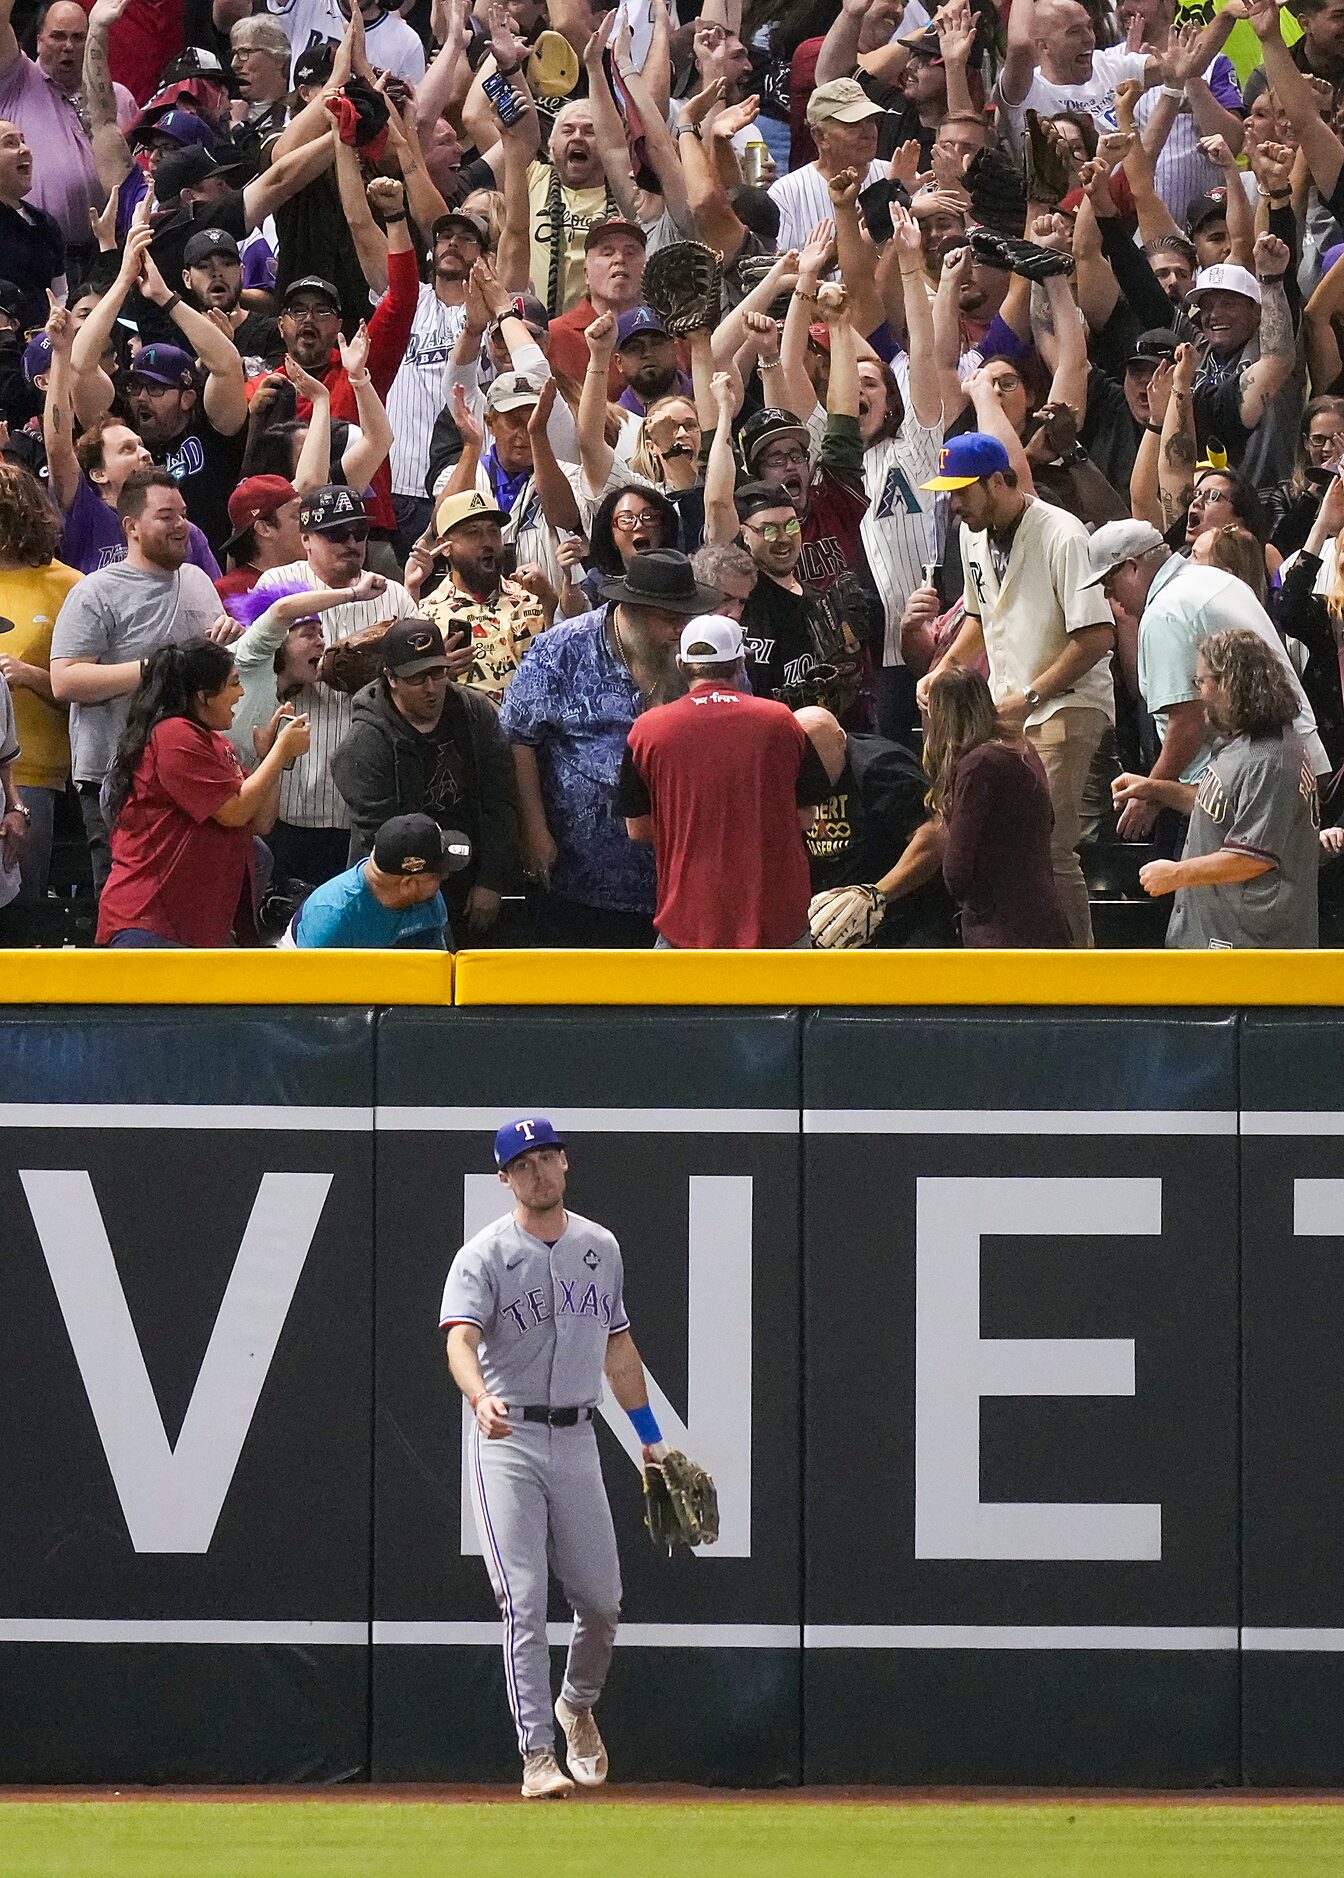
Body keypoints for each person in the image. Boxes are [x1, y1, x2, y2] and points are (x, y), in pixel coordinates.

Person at [439, 1114, 670, 1798]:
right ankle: (537, 1755)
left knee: (601, 1602)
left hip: (576, 1434)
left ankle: (576, 1705)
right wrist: (478, 1396)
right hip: (507, 1440)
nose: (539, 1170)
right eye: (524, 1162)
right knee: (525, 1600)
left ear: (566, 1164)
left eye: (548, 1156)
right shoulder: (483, 1254)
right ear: (504, 1178)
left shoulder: (600, 1246)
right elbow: (458, 1340)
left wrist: (649, 1436)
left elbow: (618, 1347)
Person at [918, 432, 1116, 947]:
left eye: (963, 491)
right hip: (1010, 710)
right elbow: (980, 617)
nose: (954, 504)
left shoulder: (1062, 534)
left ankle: (1080, 975)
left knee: (1051, 846)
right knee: (1012, 848)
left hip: (1069, 704)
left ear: (998, 481)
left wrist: (1030, 696)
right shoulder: (972, 535)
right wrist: (944, 668)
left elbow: (1095, 636)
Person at [497, 548, 720, 947]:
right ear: (632, 609)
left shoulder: (704, 650)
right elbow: (518, 737)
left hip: (686, 877)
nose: (680, 629)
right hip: (581, 878)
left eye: (687, 617)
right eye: (670, 619)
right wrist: (534, 830)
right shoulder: (562, 648)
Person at [50, 468, 225, 887]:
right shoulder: (95, 592)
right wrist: (152, 668)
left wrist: (225, 641)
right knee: (124, 902)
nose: (182, 524)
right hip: (115, 777)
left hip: (189, 773)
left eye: (183, 513)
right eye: (166, 515)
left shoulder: (199, 581)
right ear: (131, 526)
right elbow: (65, 680)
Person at [618, 613, 834, 948]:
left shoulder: (647, 730)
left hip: (687, 925)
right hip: (777, 923)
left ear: (681, 663)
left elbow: (637, 829)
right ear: (740, 662)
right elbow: (806, 817)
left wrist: (694, 828)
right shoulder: (780, 721)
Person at [251, 483, 423, 886]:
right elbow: (255, 677)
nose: (351, 543)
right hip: (293, 796)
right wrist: (306, 669)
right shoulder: (277, 587)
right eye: (336, 534)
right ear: (305, 538)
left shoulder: (394, 596)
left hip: (368, 807)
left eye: (359, 533)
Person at [96, 637, 310, 946]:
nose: (242, 692)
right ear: (204, 696)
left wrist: (270, 757)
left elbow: (260, 821)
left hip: (195, 925)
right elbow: (233, 812)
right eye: (234, 683)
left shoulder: (217, 743)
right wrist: (280, 752)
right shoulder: (173, 735)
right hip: (150, 921)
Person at [1125, 628, 1322, 948]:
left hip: (1249, 949)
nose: (1199, 693)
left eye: (1201, 682)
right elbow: (1221, 807)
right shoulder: (1245, 742)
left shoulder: (1269, 760)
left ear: (1228, 683)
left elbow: (1251, 859)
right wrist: (1154, 788)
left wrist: (1176, 874)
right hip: (1216, 936)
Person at [330, 615, 520, 937]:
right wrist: (427, 903)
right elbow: (379, 835)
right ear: (391, 678)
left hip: (471, 871)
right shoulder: (365, 741)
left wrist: (492, 879)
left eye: (438, 673)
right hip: (399, 885)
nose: (431, 688)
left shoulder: (474, 713)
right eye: (418, 678)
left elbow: (501, 799)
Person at [924, 663, 1071, 948]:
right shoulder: (1023, 750)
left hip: (1000, 931)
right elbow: (1049, 822)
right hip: (1044, 920)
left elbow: (957, 869)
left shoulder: (978, 765)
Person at [0, 460, 78, 912]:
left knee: (18, 916)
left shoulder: (70, 587)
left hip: (30, 775)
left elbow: (92, 693)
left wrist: (30, 677)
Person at [416, 488, 551, 703]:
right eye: (473, 533)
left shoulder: (534, 598)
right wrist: (439, 676)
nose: (487, 541)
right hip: (468, 732)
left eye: (493, 531)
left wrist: (551, 600)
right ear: (444, 547)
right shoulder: (425, 615)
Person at [283, 812, 456, 949]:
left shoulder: (427, 896)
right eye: (437, 874)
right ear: (408, 884)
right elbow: (307, 987)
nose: (445, 877)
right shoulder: (333, 916)